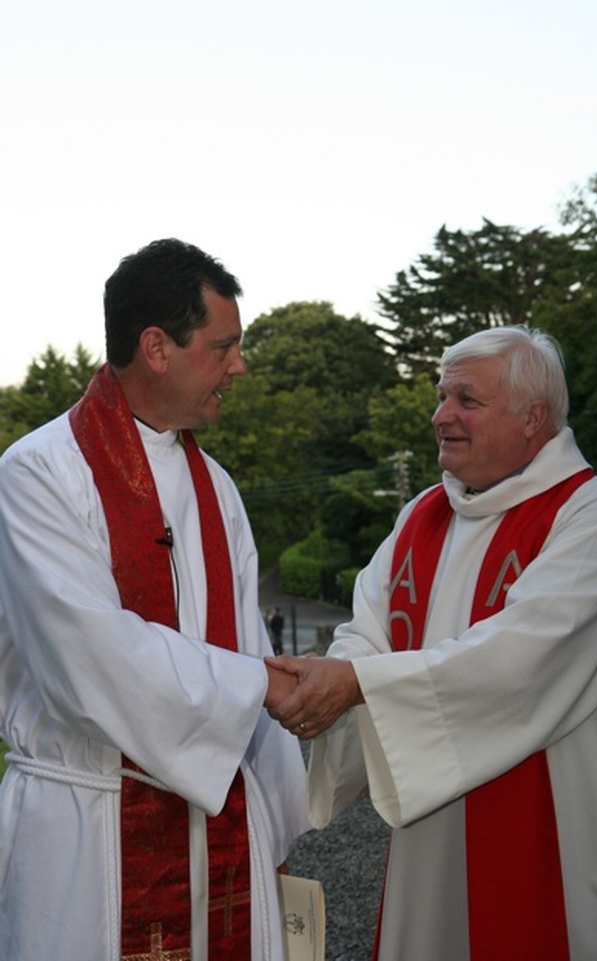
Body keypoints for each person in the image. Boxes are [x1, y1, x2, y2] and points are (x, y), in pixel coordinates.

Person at [267, 326, 597, 960]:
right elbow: (366, 633)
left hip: (558, 832)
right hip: (431, 838)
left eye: (466, 400)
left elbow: (520, 657)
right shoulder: (421, 514)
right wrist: (321, 685)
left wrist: (354, 687)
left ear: (533, 417)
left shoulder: (595, 518)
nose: (441, 416)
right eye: (441, 397)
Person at [0, 238, 308, 961]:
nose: (239, 365)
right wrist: (264, 685)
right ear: (157, 347)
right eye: (224, 345)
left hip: (222, 833)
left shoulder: (218, 487)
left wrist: (275, 825)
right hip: (91, 834)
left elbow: (244, 651)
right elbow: (91, 659)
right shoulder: (40, 474)